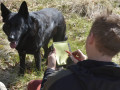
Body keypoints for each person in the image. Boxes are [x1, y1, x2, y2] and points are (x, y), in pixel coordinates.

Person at [28, 13, 120, 90]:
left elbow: (46, 87)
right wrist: (85, 64)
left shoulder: (59, 79)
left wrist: (50, 69)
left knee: (33, 84)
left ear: (91, 38)